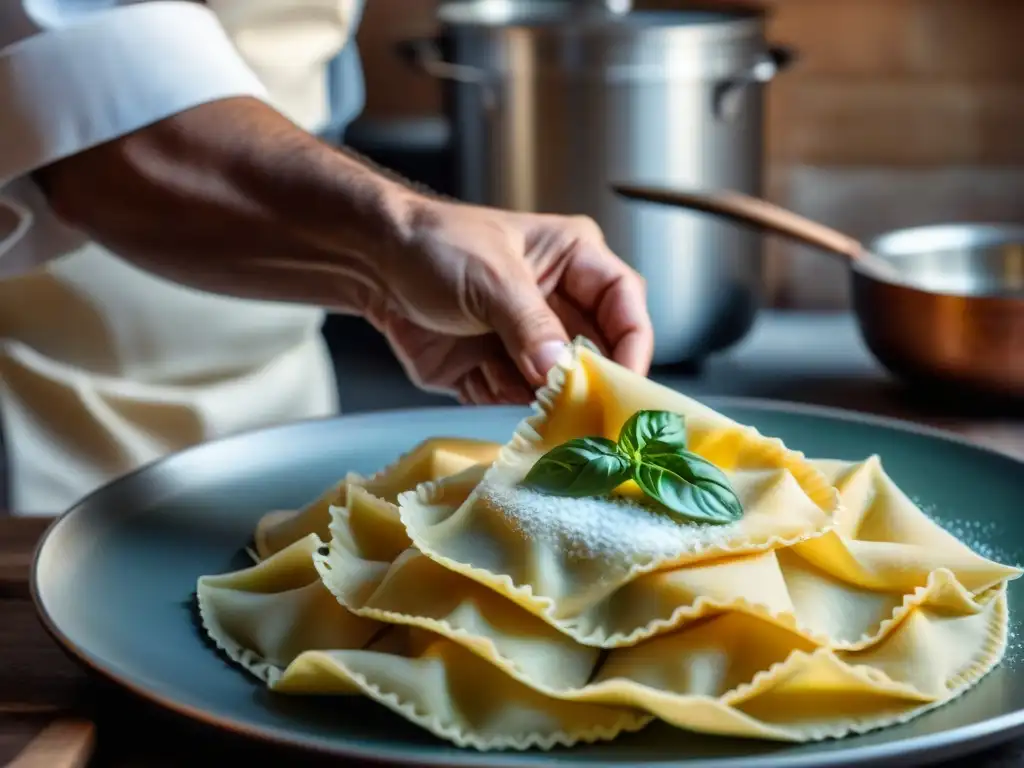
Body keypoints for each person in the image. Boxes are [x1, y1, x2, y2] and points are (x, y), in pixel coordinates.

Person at [0, 0, 654, 515]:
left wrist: (378, 280)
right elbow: (84, 114)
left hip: (285, 386)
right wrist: (399, 233)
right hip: (50, 409)